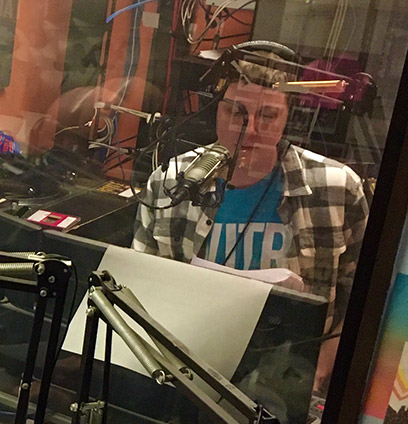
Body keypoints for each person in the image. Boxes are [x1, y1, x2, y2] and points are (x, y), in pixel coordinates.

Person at [132, 42, 370, 391]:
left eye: (268, 115)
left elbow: (364, 294)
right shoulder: (170, 182)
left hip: (289, 379)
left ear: (290, 117)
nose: (251, 128)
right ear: (216, 112)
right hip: (188, 373)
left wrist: (327, 358)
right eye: (236, 113)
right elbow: (139, 289)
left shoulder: (338, 189)